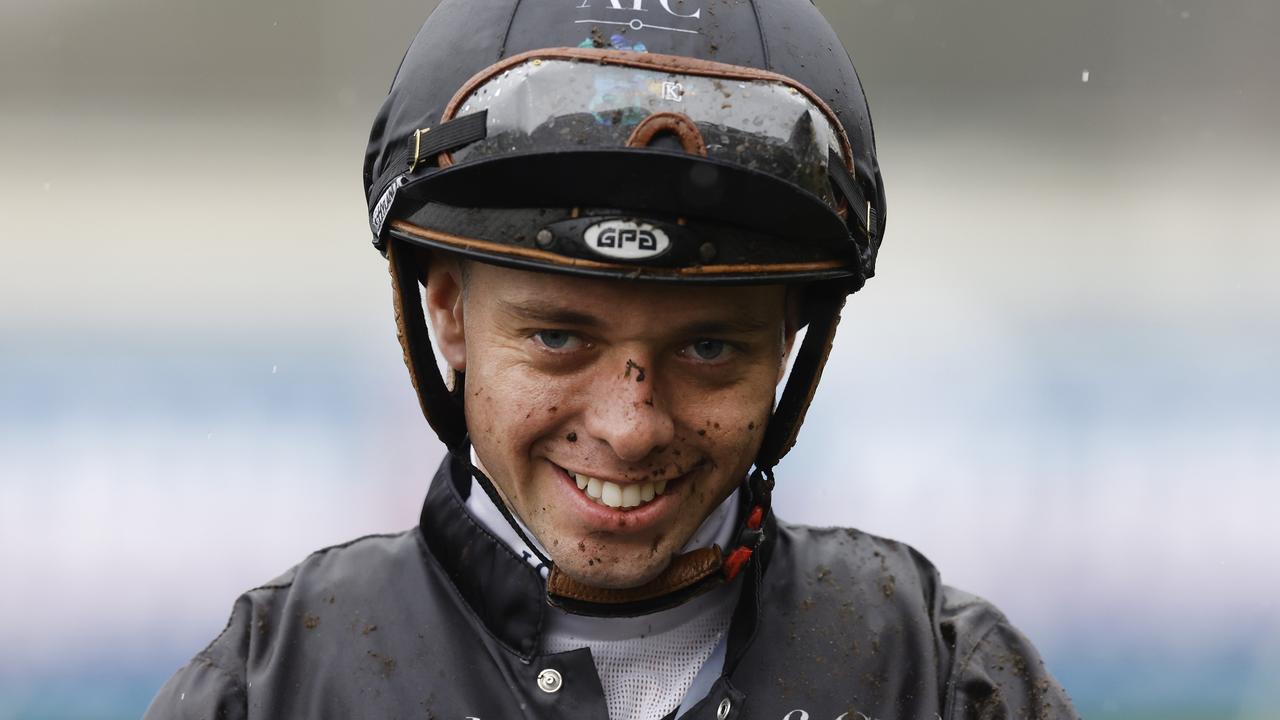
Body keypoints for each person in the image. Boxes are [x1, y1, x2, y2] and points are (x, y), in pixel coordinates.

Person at [146, 1, 1078, 718]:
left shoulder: (945, 682)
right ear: (446, 313)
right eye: (560, 338)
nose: (630, 428)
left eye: (708, 347)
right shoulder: (275, 688)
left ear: (792, 341)